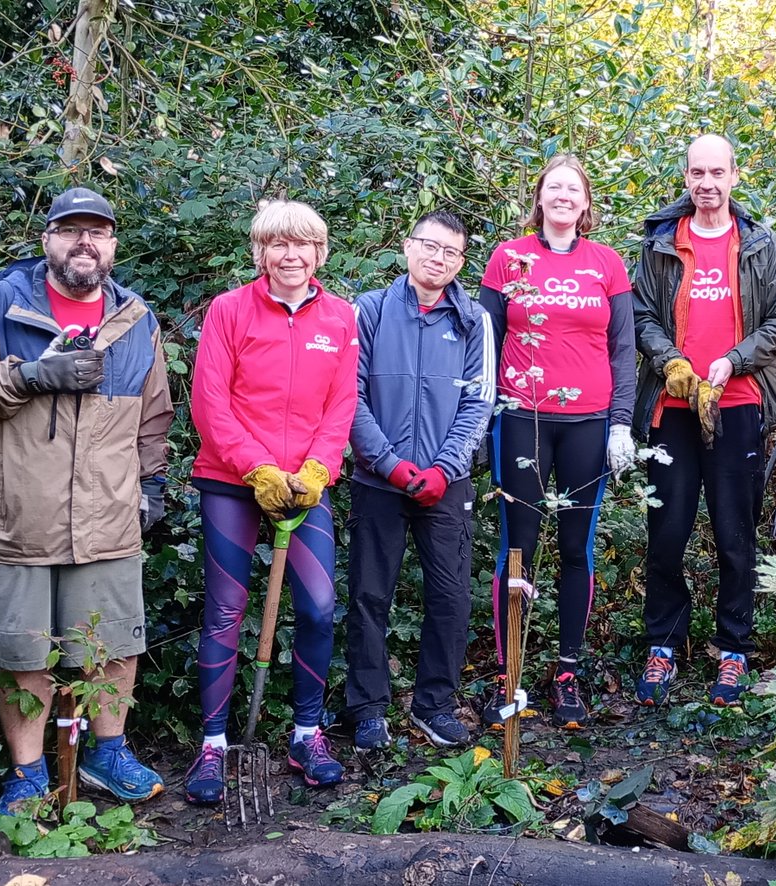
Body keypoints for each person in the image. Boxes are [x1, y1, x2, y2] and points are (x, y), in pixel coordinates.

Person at [0, 187, 173, 814]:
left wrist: (151, 485)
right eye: (71, 230)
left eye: (97, 232)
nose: (84, 243)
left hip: (107, 517)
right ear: (48, 239)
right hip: (15, 519)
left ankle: (107, 753)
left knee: (116, 648)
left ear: (113, 245)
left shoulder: (136, 320)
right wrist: (30, 375)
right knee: (24, 657)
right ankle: (27, 773)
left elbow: (154, 416)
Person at [183, 200, 358, 804]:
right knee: (227, 610)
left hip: (307, 485)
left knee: (316, 605)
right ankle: (212, 745)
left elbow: (340, 407)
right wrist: (257, 468)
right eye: (278, 245)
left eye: (303, 244)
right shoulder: (230, 310)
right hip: (232, 479)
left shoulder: (339, 319)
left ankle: (306, 734)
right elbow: (210, 404)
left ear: (319, 253)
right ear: (261, 253)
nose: (291, 255)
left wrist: (316, 468)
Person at [632, 134, 776, 708]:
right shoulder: (660, 244)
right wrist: (670, 360)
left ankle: (734, 650)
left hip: (739, 406)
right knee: (668, 534)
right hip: (672, 410)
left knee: (735, 536)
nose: (707, 183)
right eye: (697, 173)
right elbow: (639, 314)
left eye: (717, 172)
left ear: (734, 175)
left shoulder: (759, 245)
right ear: (686, 178)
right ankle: (663, 644)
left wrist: (733, 359)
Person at [479, 154, 637, 730]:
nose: (564, 197)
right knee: (517, 546)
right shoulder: (510, 257)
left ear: (586, 202)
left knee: (576, 547)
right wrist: (483, 410)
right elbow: (486, 340)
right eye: (554, 188)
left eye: (574, 188)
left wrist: (620, 421)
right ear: (540, 198)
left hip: (589, 422)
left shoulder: (608, 265)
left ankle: (567, 672)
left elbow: (622, 348)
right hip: (523, 415)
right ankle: (511, 673)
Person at [345, 211, 495, 750]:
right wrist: (388, 463)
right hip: (378, 480)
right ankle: (367, 709)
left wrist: (445, 469)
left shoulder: (474, 321)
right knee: (368, 595)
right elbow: (349, 395)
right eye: (430, 247)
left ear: (461, 263)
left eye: (451, 253)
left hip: (445, 484)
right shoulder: (370, 310)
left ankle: (435, 704)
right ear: (408, 248)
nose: (438, 258)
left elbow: (480, 402)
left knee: (451, 597)